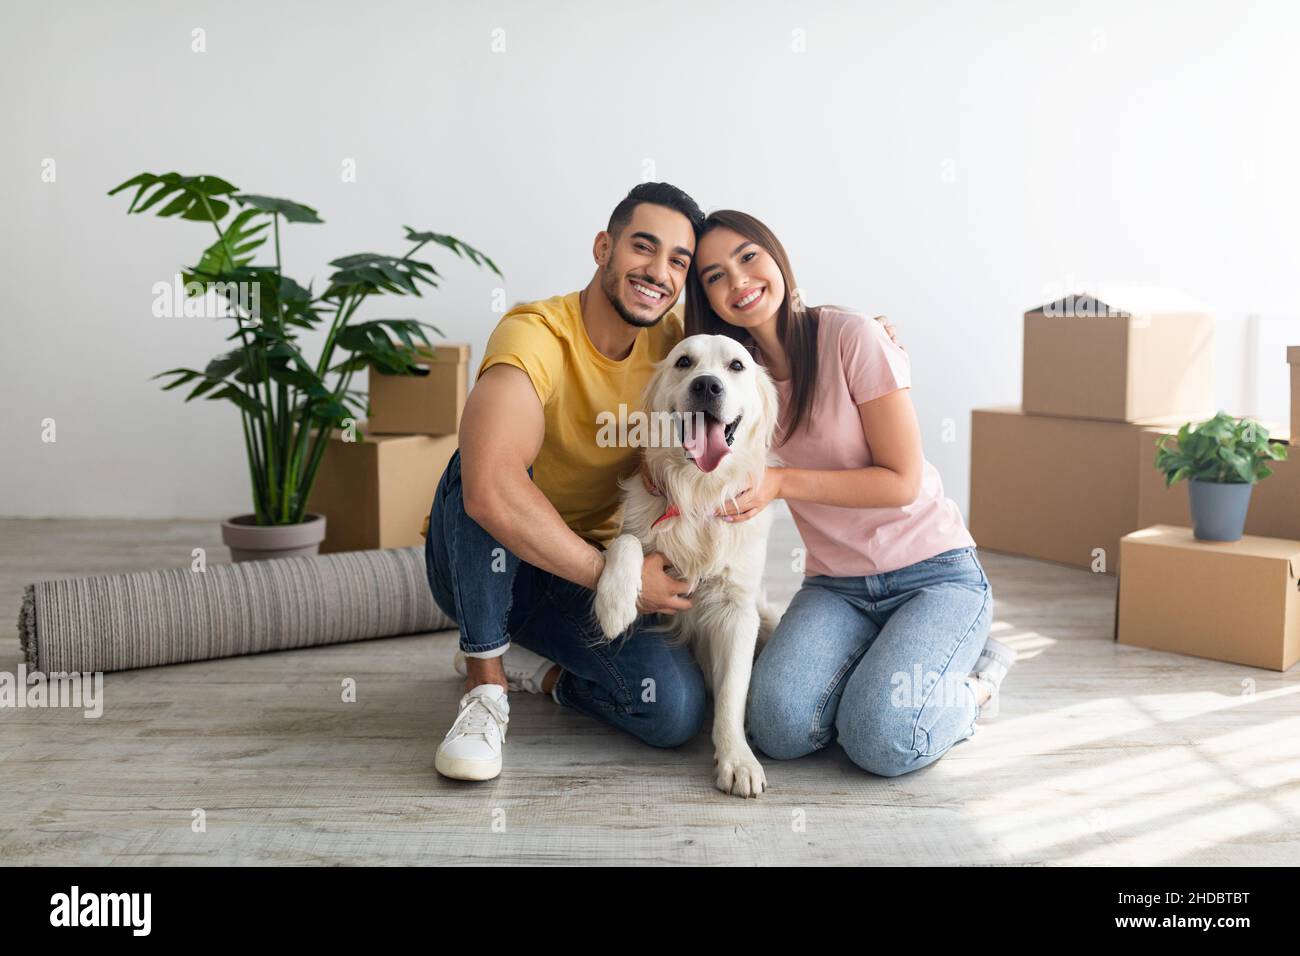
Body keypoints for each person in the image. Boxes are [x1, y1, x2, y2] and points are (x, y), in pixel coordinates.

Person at [681, 209, 1016, 778]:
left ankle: (978, 684)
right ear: (706, 298)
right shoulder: (730, 376)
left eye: (747, 257)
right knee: (778, 728)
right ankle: (883, 669)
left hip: (933, 573)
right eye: (714, 276)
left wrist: (783, 482)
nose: (738, 281)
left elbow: (902, 481)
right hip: (837, 587)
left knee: (882, 740)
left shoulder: (851, 336)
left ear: (776, 256)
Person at [424, 183, 710, 781]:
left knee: (675, 710)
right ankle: (485, 690)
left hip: (578, 571)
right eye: (643, 247)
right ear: (604, 247)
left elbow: (764, 334)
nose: (658, 271)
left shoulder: (675, 347)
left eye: (678, 261)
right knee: (487, 461)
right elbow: (489, 489)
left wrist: (856, 332)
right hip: (485, 560)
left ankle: (541, 670)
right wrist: (619, 581)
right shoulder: (537, 334)